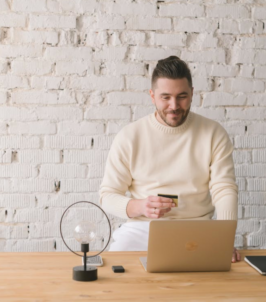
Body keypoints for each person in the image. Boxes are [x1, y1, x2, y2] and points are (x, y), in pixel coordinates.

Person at [99, 56, 241, 262]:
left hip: (198, 227)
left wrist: (226, 239)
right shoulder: (130, 136)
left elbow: (224, 189)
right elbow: (108, 196)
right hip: (142, 228)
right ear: (152, 96)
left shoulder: (213, 133)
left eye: (181, 96)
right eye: (165, 97)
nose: (174, 106)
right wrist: (140, 206)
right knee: (116, 271)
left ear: (192, 94)